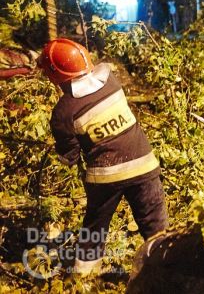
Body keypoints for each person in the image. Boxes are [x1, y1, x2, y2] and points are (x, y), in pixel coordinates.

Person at [37, 38, 168, 275]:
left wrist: (65, 152)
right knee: (155, 225)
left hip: (105, 177)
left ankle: (84, 279)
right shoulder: (111, 81)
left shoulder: (63, 113)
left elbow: (70, 155)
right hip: (144, 164)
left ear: (55, 76)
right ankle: (168, 271)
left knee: (94, 229)